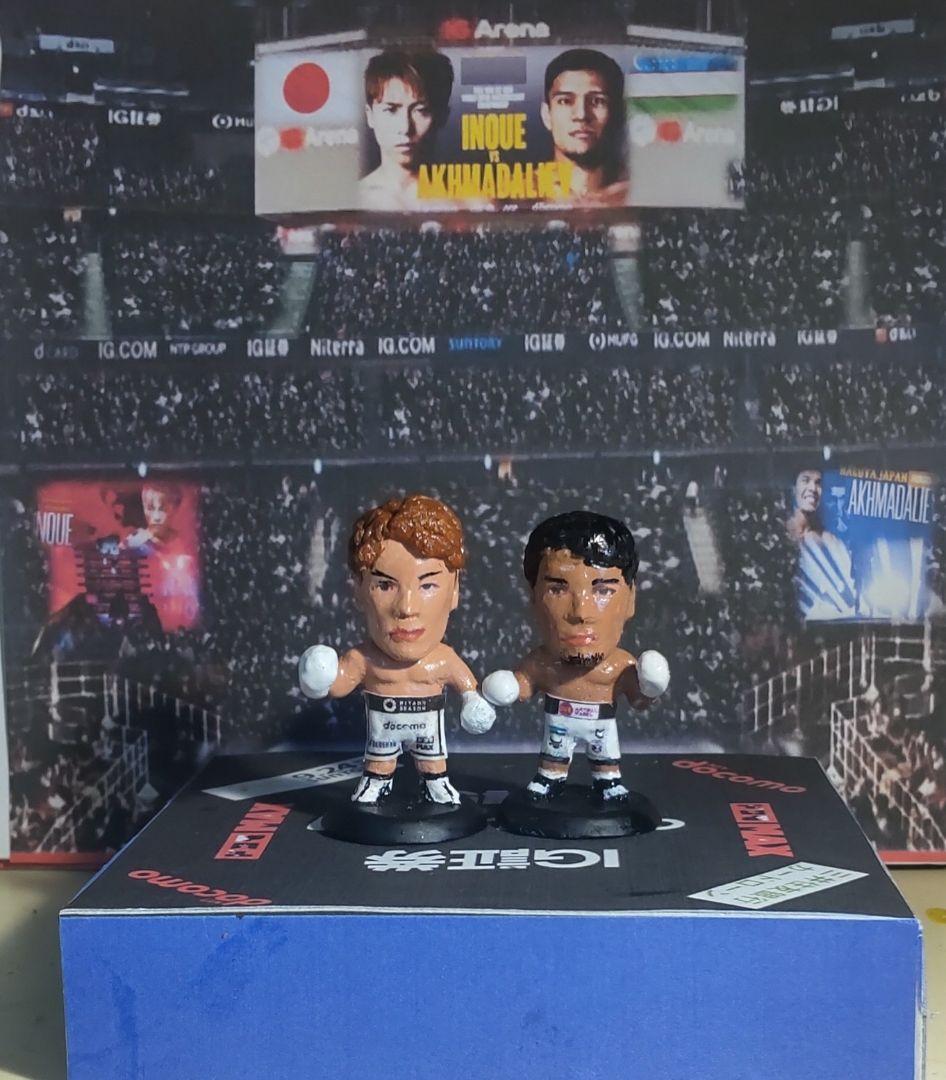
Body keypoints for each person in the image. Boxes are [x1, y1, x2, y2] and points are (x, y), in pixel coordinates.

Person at [299, 494, 494, 805]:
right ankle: (376, 782)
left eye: (427, 585)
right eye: (385, 585)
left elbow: (468, 687)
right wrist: (318, 675)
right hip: (383, 731)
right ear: (358, 591)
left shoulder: (443, 660)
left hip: (428, 732)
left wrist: (473, 701)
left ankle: (436, 783)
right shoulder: (364, 659)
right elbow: (338, 683)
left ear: (455, 589)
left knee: (433, 761)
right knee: (380, 761)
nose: (406, 607)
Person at [482, 511, 669, 802]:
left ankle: (608, 781)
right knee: (553, 757)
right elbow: (522, 686)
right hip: (559, 723)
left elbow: (640, 701)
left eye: (603, 590)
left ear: (630, 599)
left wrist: (651, 685)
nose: (581, 612)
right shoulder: (543, 663)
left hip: (601, 725)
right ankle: (549, 778)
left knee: (605, 759)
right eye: (558, 589)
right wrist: (504, 688)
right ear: (533, 596)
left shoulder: (620, 666)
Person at [359, 50, 454, 211]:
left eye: (420, 110)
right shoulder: (351, 200)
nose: (405, 128)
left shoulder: (471, 202)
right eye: (391, 110)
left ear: (442, 116)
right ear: (370, 116)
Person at [540, 49, 629, 206]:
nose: (581, 115)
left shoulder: (645, 194)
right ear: (547, 115)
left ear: (618, 113)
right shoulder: (509, 197)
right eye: (565, 101)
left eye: (597, 101)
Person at [786, 468, 856, 619]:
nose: (813, 488)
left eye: (818, 483)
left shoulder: (831, 541)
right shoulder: (780, 536)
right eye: (806, 480)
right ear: (793, 488)